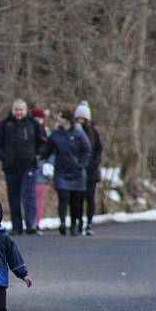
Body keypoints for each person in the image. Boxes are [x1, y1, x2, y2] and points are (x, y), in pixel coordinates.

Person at [0, 99, 47, 235]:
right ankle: (17, 226)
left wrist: (38, 155)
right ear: (12, 110)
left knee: (29, 195)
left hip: (29, 166)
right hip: (10, 167)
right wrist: (4, 157)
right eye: (17, 109)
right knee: (13, 196)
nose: (19, 112)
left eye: (21, 109)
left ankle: (31, 224)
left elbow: (44, 143)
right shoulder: (5, 124)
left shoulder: (33, 124)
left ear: (26, 110)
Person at [43, 109, 92, 236]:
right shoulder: (56, 133)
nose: (58, 120)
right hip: (61, 171)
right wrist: (42, 158)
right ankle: (62, 222)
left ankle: (74, 224)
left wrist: (81, 164)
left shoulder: (78, 133)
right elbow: (48, 149)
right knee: (63, 197)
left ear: (67, 119)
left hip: (77, 172)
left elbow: (87, 150)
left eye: (60, 117)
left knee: (75, 201)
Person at [74, 101, 102, 236]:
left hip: (91, 171)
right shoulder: (73, 131)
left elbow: (98, 150)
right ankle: (79, 222)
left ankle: (89, 223)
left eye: (83, 118)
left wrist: (93, 164)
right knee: (77, 198)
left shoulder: (94, 132)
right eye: (78, 117)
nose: (81, 120)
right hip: (78, 170)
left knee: (89, 197)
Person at [31, 106, 54, 230]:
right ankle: (30, 220)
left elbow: (53, 152)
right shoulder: (28, 132)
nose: (36, 120)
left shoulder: (48, 133)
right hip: (29, 169)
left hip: (43, 171)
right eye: (34, 117)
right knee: (30, 196)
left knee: (38, 195)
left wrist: (49, 165)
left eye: (39, 118)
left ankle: (36, 222)